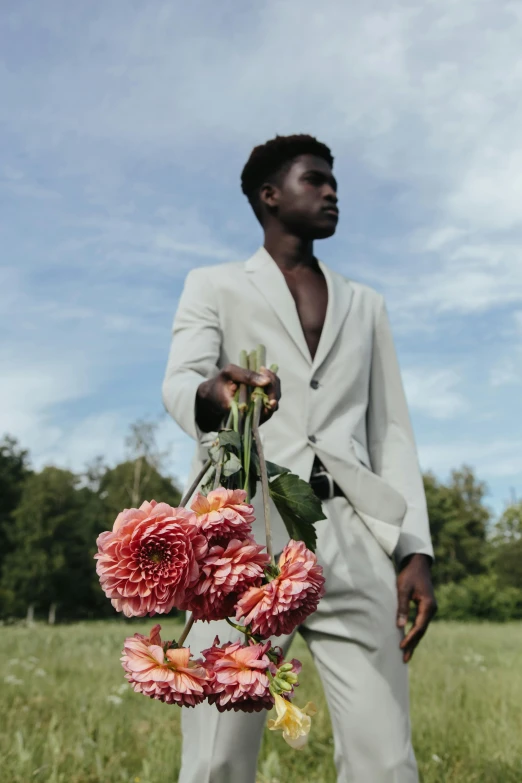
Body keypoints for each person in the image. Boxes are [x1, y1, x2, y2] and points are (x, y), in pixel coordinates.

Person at [162, 134, 437, 783]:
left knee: (387, 761)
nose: (331, 190)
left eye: (332, 181)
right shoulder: (213, 285)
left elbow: (392, 430)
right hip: (247, 537)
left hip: (357, 538)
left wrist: (413, 551)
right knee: (217, 758)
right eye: (314, 179)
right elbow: (182, 382)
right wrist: (216, 393)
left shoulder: (366, 305)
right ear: (268, 196)